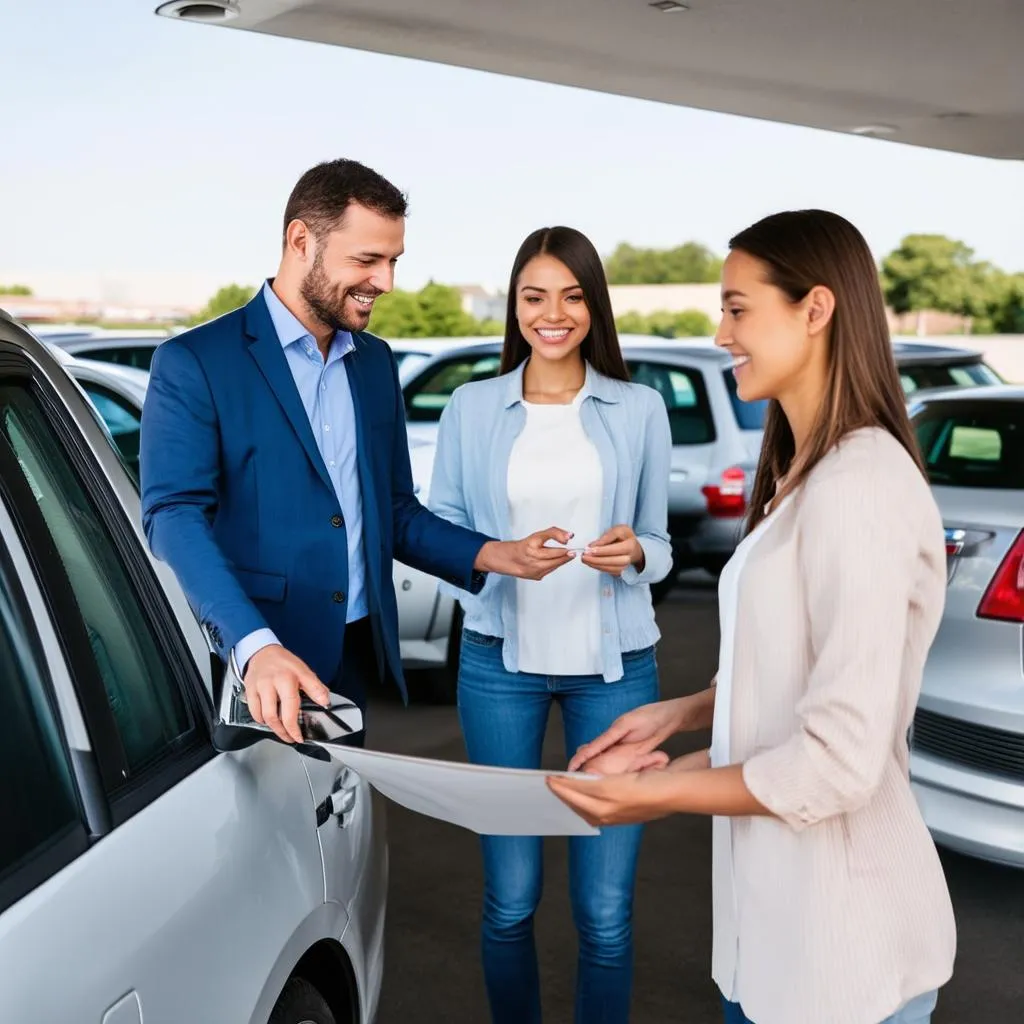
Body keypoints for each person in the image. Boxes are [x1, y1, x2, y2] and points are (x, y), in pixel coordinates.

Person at [548, 210, 957, 1024]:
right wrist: (682, 713)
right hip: (769, 947)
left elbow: (839, 760)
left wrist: (658, 797)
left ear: (816, 308)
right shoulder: (808, 471)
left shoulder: (860, 483)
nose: (721, 330)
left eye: (738, 308)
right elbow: (791, 663)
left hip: (844, 961)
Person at [139, 158, 574, 746]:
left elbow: (392, 510)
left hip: (353, 656)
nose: (386, 281)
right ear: (300, 241)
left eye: (393, 260)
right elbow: (173, 516)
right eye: (367, 260)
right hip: (259, 661)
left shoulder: (374, 363)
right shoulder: (195, 361)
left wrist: (500, 555)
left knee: (339, 821)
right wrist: (254, 645)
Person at [426, 225, 673, 1024]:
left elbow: (661, 540)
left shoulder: (638, 408)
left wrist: (637, 551)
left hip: (616, 670)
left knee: (605, 915)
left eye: (571, 295)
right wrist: (496, 555)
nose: (553, 313)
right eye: (535, 296)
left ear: (594, 307)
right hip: (499, 666)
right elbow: (444, 530)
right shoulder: (471, 407)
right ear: (515, 306)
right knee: (511, 902)